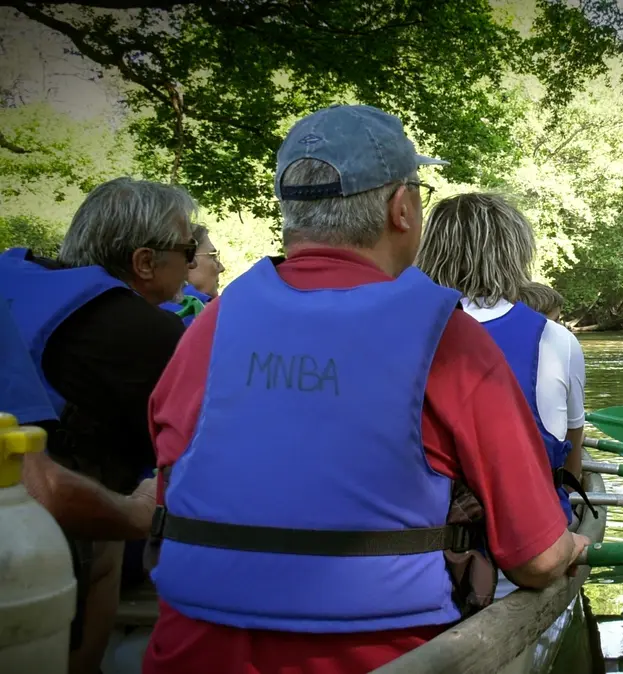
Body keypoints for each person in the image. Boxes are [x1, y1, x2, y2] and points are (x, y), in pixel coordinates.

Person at [142, 104, 589, 674]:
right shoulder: (448, 340)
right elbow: (535, 559)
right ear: (402, 208)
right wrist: (571, 546)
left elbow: (172, 480)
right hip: (383, 659)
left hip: (187, 654)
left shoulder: (209, 327)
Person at [0, 176, 194, 674]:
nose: (193, 264)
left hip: (25, 514)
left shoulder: (16, 278)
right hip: (41, 538)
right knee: (116, 536)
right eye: (188, 250)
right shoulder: (150, 333)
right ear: (145, 262)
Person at [417, 193, 587, 526]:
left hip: (425, 540)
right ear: (514, 254)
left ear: (430, 252)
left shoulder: (396, 329)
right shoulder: (555, 340)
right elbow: (572, 454)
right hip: (532, 538)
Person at [159, 224, 224, 327]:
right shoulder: (199, 313)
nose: (221, 268)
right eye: (213, 256)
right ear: (187, 260)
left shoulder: (145, 308)